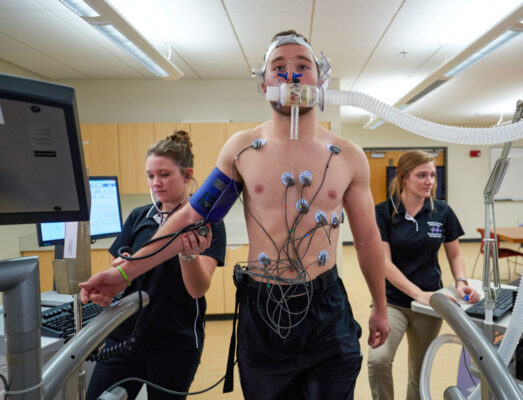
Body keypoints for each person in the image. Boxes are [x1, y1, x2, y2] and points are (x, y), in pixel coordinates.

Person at [80, 30, 390, 400]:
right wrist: (123, 273)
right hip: (263, 308)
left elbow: (369, 240)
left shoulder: (348, 156)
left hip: (326, 309)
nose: (291, 75)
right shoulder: (243, 150)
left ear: (320, 79)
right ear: (263, 83)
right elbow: (194, 216)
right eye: (279, 67)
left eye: (302, 66)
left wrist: (380, 306)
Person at [85, 130, 226, 400]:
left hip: (175, 342)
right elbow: (122, 272)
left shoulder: (208, 225)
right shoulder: (139, 217)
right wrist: (113, 280)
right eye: (150, 175)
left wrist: (188, 255)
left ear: (187, 175)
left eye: (164, 174)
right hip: (125, 338)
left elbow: (198, 289)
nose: (155, 183)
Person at [367, 150, 480, 400]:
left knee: (418, 373)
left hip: (429, 306)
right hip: (392, 301)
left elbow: (455, 255)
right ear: (404, 177)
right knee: (378, 360)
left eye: (432, 175)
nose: (429, 181)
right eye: (421, 175)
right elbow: (384, 264)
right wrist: (419, 294)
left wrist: (461, 281)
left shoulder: (442, 211)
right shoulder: (383, 213)